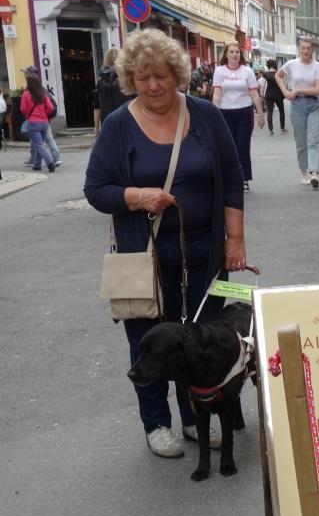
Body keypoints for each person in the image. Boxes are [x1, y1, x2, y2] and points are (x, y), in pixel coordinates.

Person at [83, 28, 246, 459]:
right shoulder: (119, 127)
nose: (153, 85)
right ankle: (156, 423)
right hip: (145, 259)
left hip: (204, 255)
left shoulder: (206, 116)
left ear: (177, 74)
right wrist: (138, 196)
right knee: (149, 344)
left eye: (160, 76)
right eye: (142, 77)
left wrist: (236, 241)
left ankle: (195, 416)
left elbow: (231, 181)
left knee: (200, 340)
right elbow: (96, 189)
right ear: (130, 80)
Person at [211, 42, 264, 191]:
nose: (235, 54)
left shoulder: (247, 71)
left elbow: (254, 93)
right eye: (232, 52)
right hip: (225, 112)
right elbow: (217, 94)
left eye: (237, 52)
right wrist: (214, 114)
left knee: (242, 146)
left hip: (244, 112)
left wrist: (260, 114)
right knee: (228, 146)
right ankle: (230, 177)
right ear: (226, 55)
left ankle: (244, 177)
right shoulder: (219, 71)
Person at [278, 40, 319, 189]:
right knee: (301, 142)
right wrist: (285, 91)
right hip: (297, 105)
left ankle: (314, 173)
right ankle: (304, 171)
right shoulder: (292, 64)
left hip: (314, 105)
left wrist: (298, 90)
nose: (305, 51)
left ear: (312, 50)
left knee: (313, 140)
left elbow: (318, 90)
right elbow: (278, 76)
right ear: (299, 49)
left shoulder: (317, 66)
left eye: (308, 49)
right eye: (303, 48)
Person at [19, 68, 58, 172]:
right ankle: (37, 164)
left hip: (33, 123)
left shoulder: (26, 94)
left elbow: (22, 109)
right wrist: (44, 114)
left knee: (39, 145)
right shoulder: (43, 94)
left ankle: (50, 163)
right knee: (39, 143)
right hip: (44, 122)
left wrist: (29, 115)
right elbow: (50, 108)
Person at [91, 48, 127, 136]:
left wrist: (96, 128)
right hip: (126, 122)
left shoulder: (100, 82)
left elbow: (97, 107)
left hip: (107, 123)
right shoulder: (126, 80)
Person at [263, 60, 287, 134]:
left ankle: (271, 130)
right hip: (278, 94)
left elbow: (263, 85)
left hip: (269, 94)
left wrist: (262, 95)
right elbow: (283, 84)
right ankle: (282, 128)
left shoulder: (266, 74)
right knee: (281, 111)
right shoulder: (279, 73)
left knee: (270, 112)